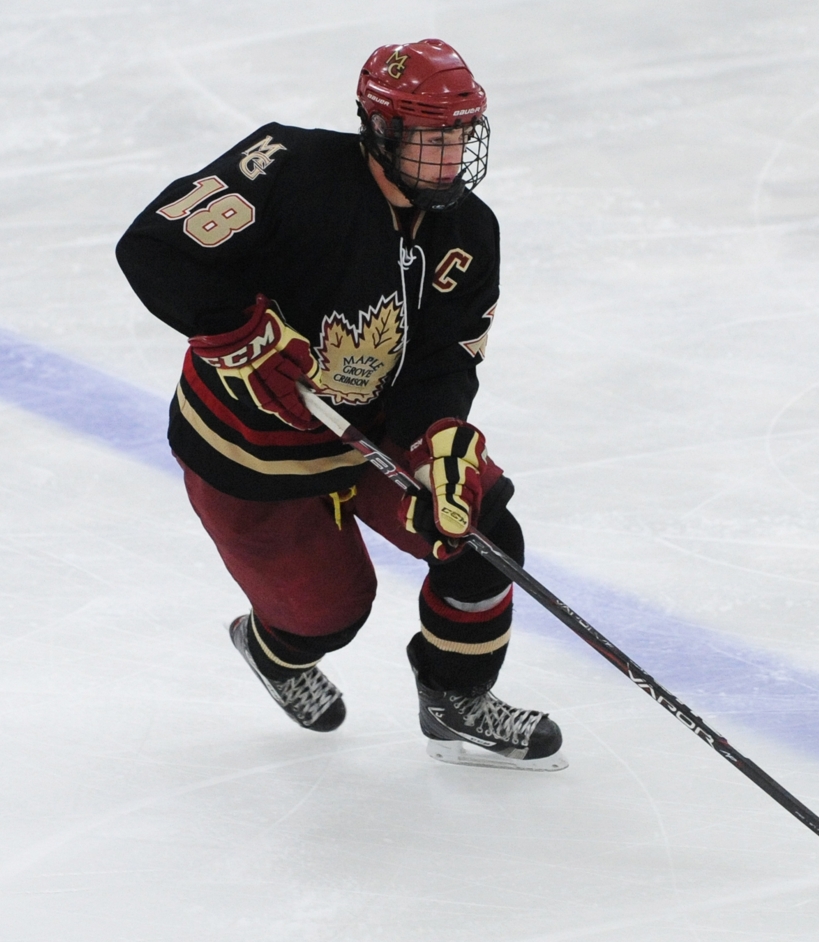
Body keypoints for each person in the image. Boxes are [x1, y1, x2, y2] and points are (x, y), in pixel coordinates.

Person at [116, 39, 565, 771]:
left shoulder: (470, 234)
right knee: (327, 615)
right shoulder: (287, 168)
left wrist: (439, 442)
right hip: (248, 449)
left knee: (479, 530)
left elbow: (445, 359)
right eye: (429, 139)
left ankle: (455, 696)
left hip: (373, 434)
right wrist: (241, 331)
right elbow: (155, 248)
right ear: (380, 129)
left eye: (459, 137)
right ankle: (273, 652)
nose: (448, 159)